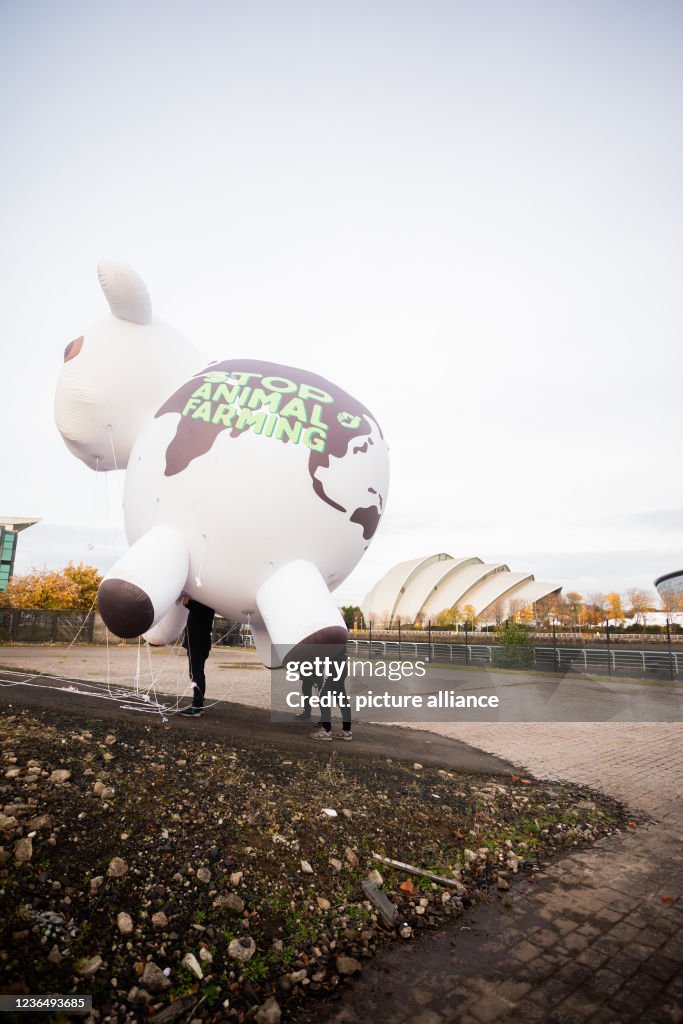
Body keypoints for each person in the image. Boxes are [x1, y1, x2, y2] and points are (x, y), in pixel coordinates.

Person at [180, 597, 215, 717]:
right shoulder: (206, 605)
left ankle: (197, 707)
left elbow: (198, 608)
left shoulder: (207, 604)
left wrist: (188, 602)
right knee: (196, 673)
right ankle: (198, 703)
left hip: (198, 645)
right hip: (197, 645)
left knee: (196, 674)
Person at [311, 644, 352, 741]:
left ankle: (326, 730)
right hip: (340, 668)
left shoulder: (332, 634)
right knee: (341, 699)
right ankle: (346, 731)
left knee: (323, 696)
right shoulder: (339, 633)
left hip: (336, 670)